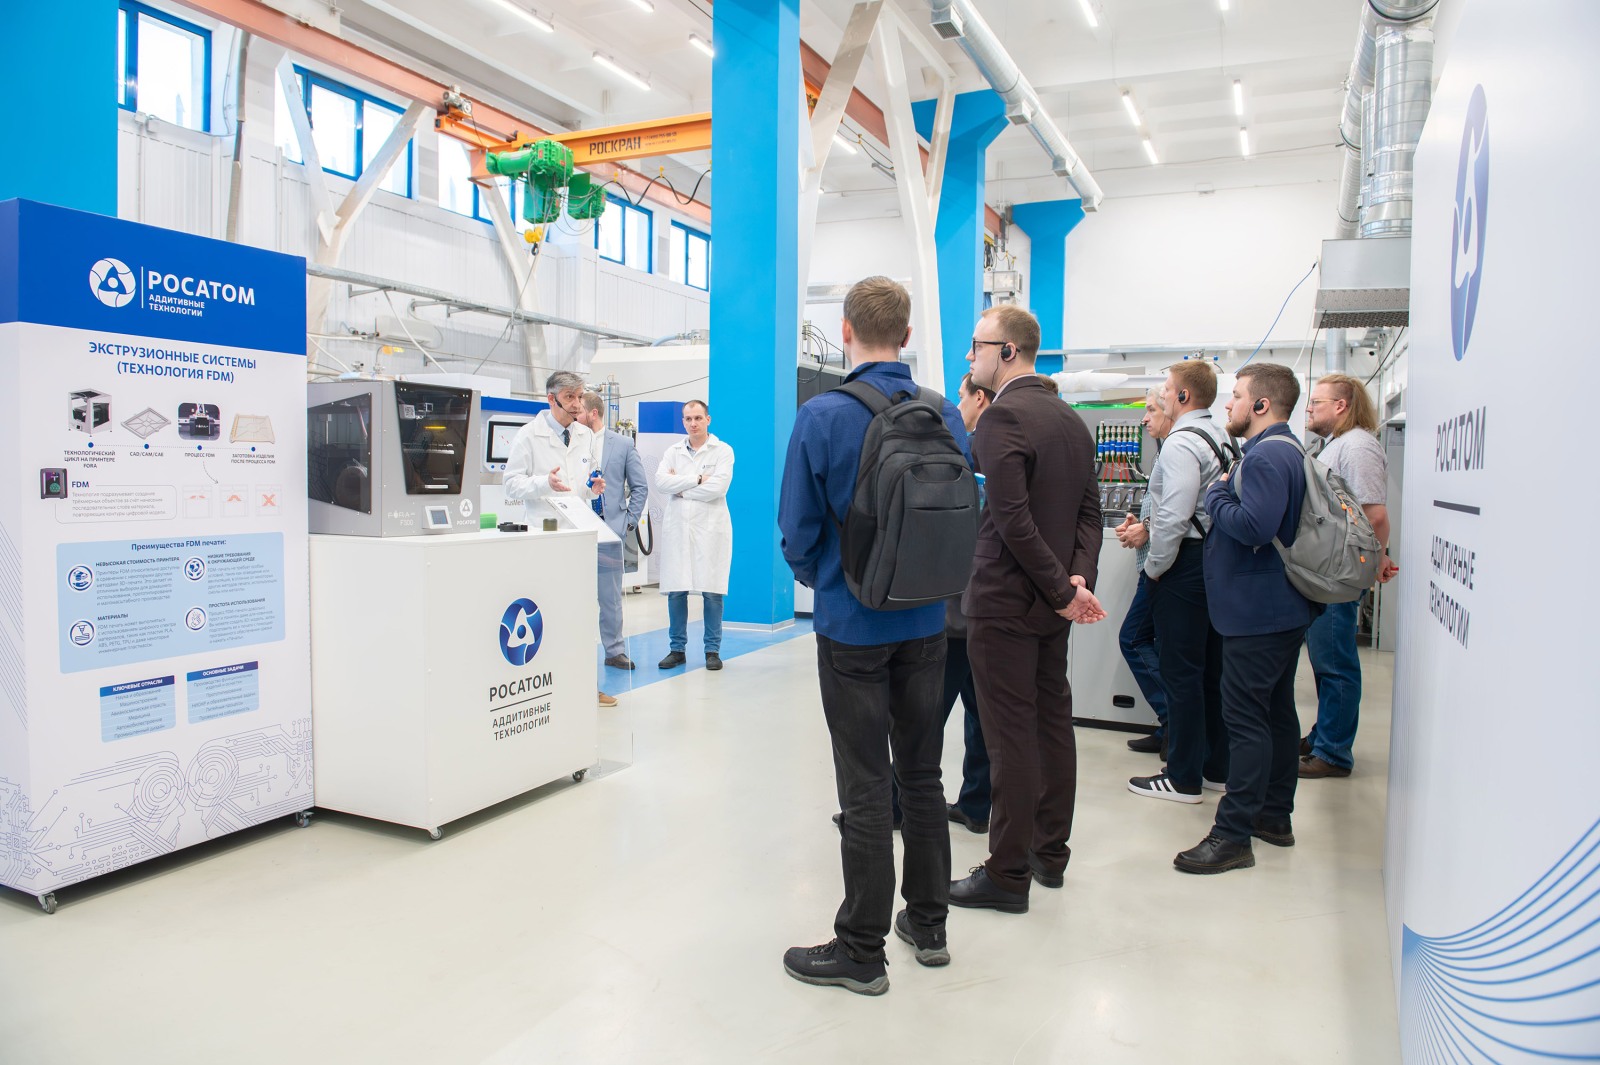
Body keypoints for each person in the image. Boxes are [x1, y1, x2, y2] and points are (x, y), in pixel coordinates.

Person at [777, 276, 968, 995]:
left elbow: (796, 528)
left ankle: (861, 949)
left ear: (846, 331)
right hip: (926, 621)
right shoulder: (945, 412)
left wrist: (827, 578)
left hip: (852, 624)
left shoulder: (822, 415)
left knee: (864, 788)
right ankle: (929, 923)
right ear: (907, 336)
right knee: (923, 776)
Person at [949, 304, 1105, 916]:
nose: (971, 357)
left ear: (1007, 351)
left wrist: (1064, 589)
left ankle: (1007, 873)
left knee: (1009, 736)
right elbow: (1089, 514)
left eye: (978, 345)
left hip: (1006, 604)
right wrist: (1075, 579)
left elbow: (1011, 521)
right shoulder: (1070, 421)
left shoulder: (1002, 416)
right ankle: (1049, 853)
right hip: (1049, 607)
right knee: (1051, 724)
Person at [1176, 362, 1318, 874]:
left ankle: (1233, 834)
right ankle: (1273, 815)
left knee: (1246, 721)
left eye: (1236, 396)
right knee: (1275, 713)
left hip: (1256, 613)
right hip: (1274, 609)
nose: (1229, 404)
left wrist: (1216, 494)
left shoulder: (1265, 456)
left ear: (1261, 405)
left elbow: (1255, 526)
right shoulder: (1286, 450)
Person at [1127, 361, 1233, 804]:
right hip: (1213, 561)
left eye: (1168, 389)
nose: (1163, 396)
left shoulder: (1181, 442)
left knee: (1181, 672)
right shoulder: (1220, 437)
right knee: (1209, 671)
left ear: (1184, 396)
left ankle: (1183, 776)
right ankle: (1214, 767)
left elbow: (1173, 516)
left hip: (1184, 565)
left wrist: (1154, 569)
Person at [1299, 373, 1399, 779]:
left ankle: (1334, 752)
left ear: (1341, 406)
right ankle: (1323, 735)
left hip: (1337, 576)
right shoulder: (1337, 444)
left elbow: (1374, 515)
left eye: (1317, 403)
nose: (1309, 409)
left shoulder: (1357, 447)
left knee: (1336, 663)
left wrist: (1369, 564)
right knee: (1325, 660)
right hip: (1328, 571)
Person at [504, 371, 613, 708]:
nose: (577, 404)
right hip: (544, 538)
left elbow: (581, 484)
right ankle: (549, 690)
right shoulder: (528, 435)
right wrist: (543, 483)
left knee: (581, 615)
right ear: (551, 399)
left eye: (579, 397)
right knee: (547, 614)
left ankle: (586, 688)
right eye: (569, 398)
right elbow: (511, 484)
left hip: (578, 538)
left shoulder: (585, 435)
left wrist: (592, 487)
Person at [1113, 387, 1173, 757]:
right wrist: (1142, 522)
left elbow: (1182, 511)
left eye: (1151, 409)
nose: (1144, 418)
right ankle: (1169, 725)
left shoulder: (1179, 448)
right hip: (1156, 565)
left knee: (1132, 639)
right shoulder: (1166, 449)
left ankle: (1174, 722)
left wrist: (1147, 529)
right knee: (1155, 644)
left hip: (1162, 569)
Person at [654, 401, 734, 671]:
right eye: (688, 419)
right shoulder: (673, 451)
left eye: (698, 418)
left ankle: (712, 651)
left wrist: (681, 487)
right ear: (683, 421)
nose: (693, 423)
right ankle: (677, 649)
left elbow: (718, 488)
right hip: (679, 528)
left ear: (708, 419)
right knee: (676, 590)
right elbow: (661, 482)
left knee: (712, 591)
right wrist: (698, 479)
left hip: (710, 528)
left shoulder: (723, 450)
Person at [578, 392, 649, 671]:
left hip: (609, 530)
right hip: (576, 528)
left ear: (593, 413)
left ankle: (614, 651)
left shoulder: (622, 444)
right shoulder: (570, 442)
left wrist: (628, 522)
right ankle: (574, 652)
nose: (574, 414)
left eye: (579, 410)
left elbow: (640, 487)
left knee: (610, 597)